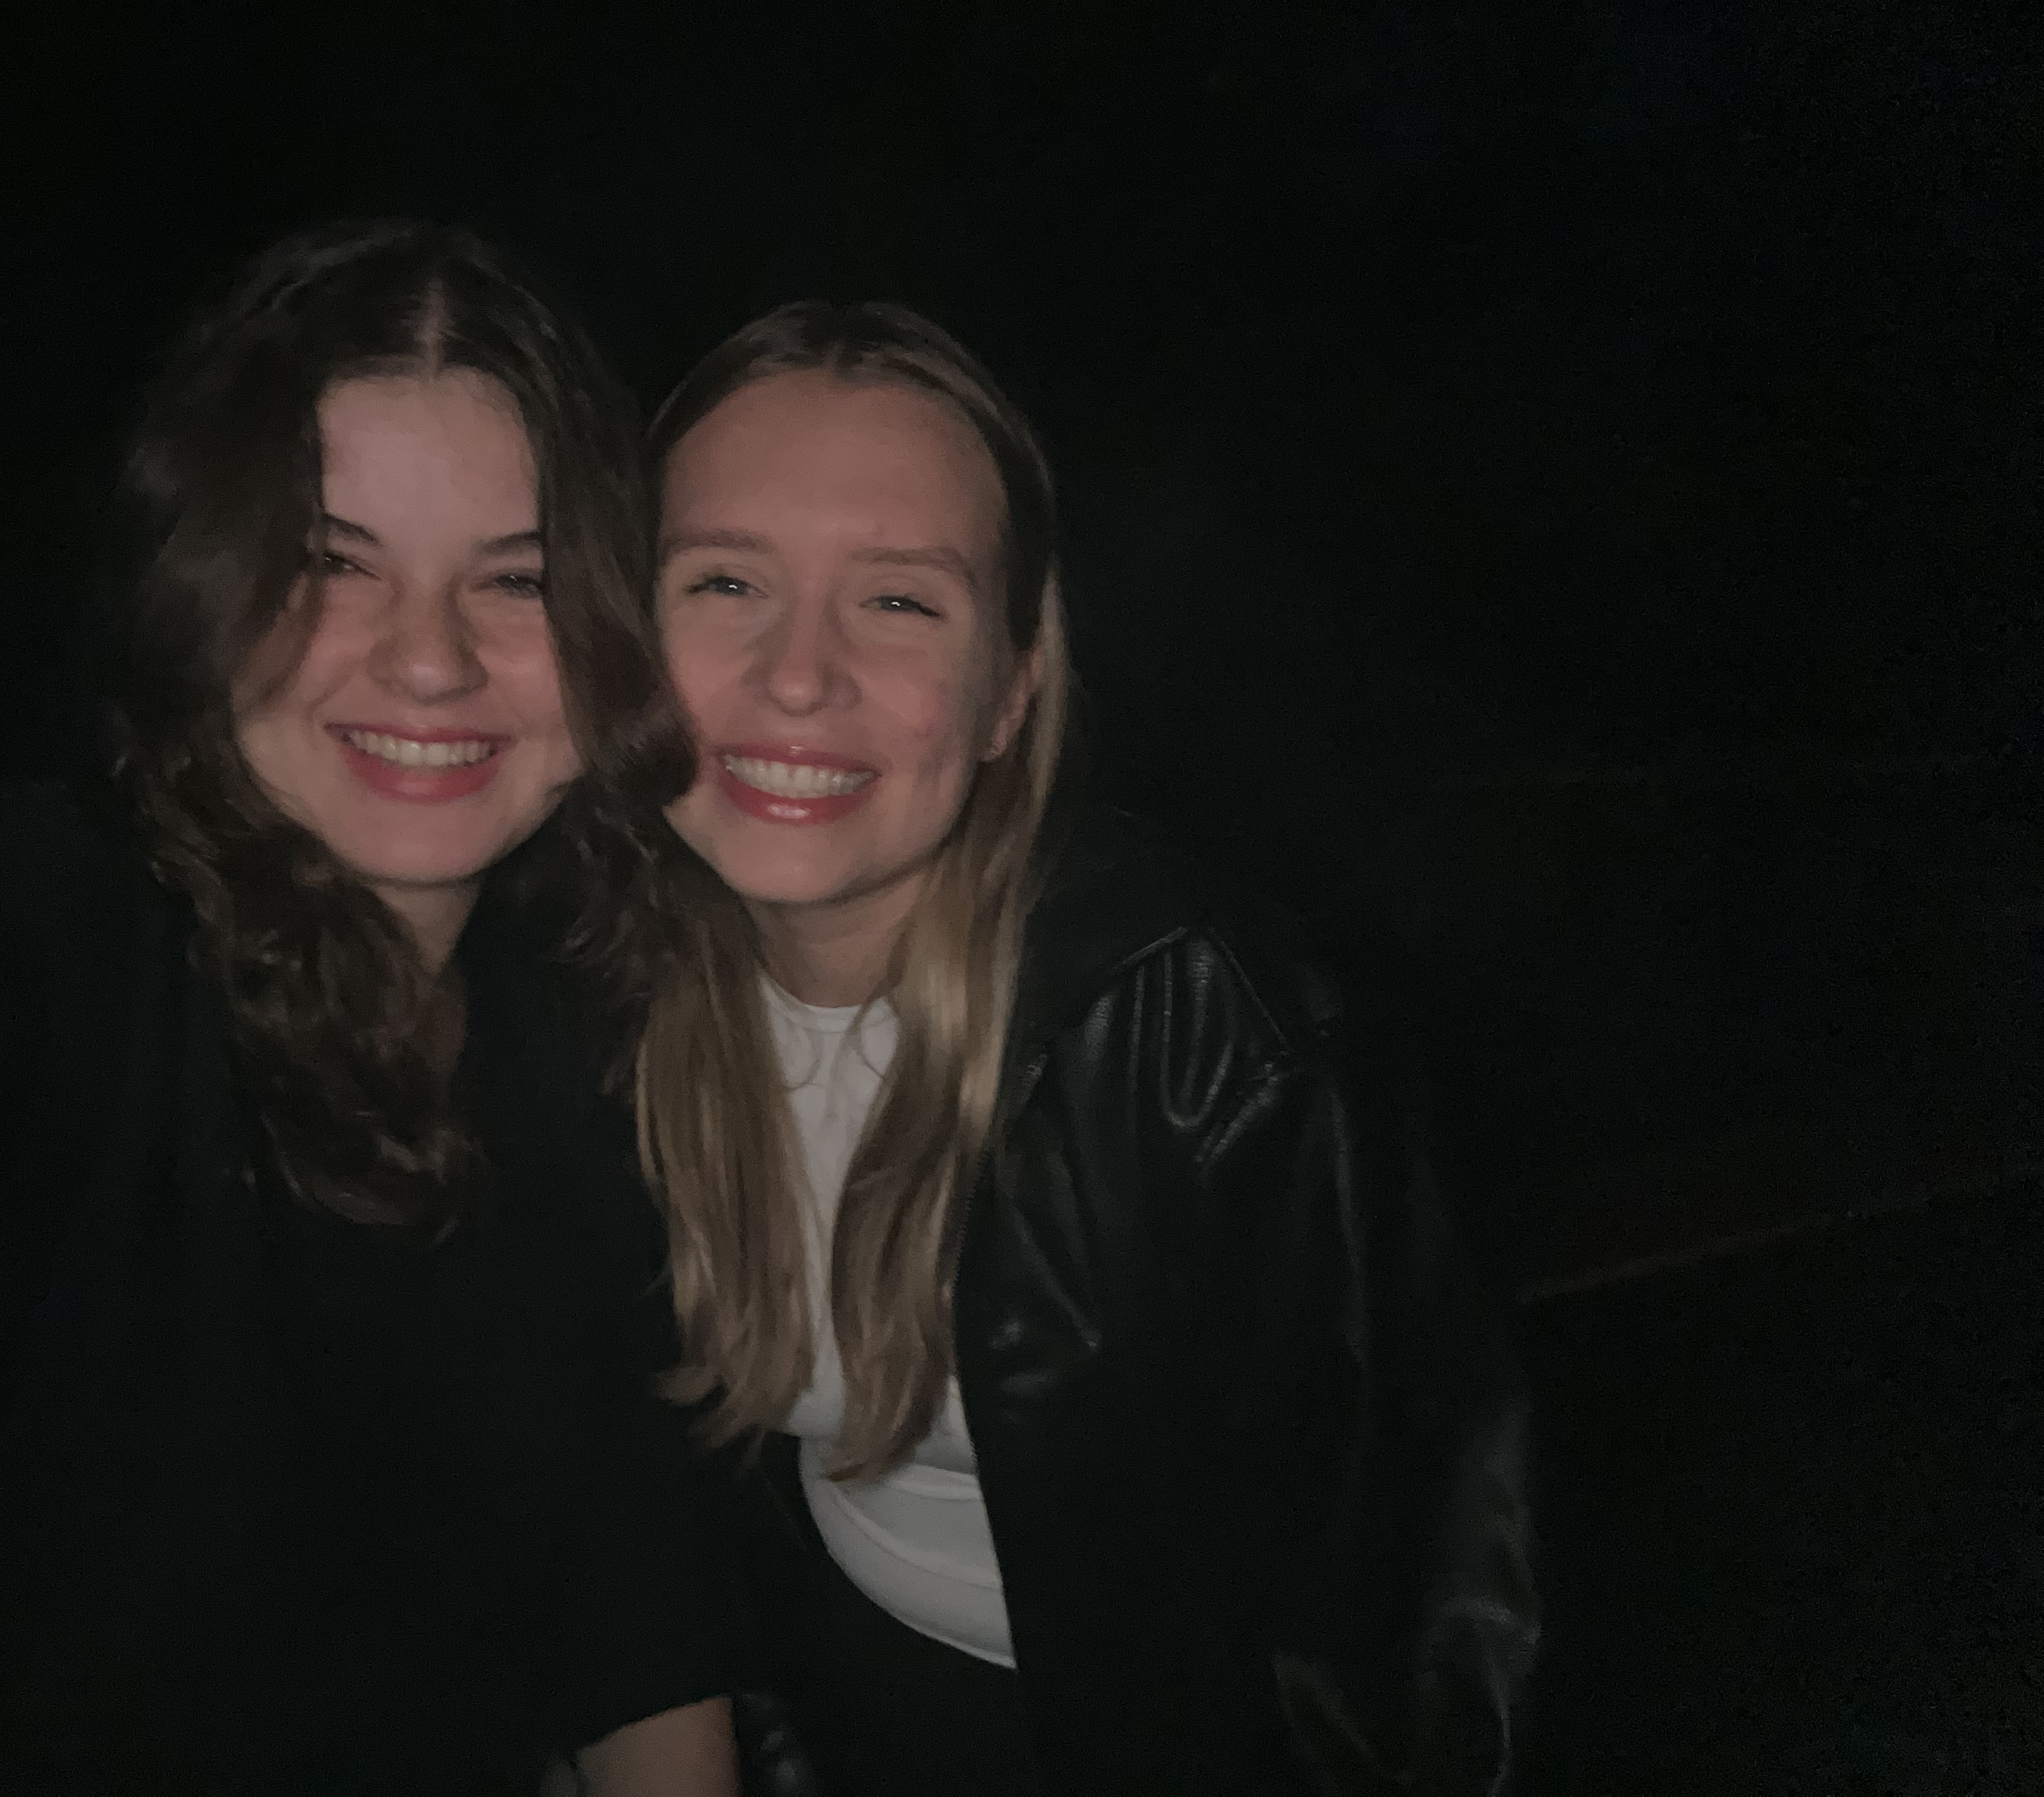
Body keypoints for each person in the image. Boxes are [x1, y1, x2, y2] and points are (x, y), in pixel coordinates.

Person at [0, 220, 738, 1794]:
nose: (429, 661)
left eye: (518, 580)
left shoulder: (568, 1035)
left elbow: (630, 1607)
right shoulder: (54, 954)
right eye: (330, 563)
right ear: (202, 587)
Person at [625, 301, 1538, 1795]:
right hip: (833, 1695)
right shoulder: (609, 991)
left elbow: (1404, 1606)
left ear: (1010, 692)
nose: (798, 675)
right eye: (725, 579)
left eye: (900, 600)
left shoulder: (1195, 1036)